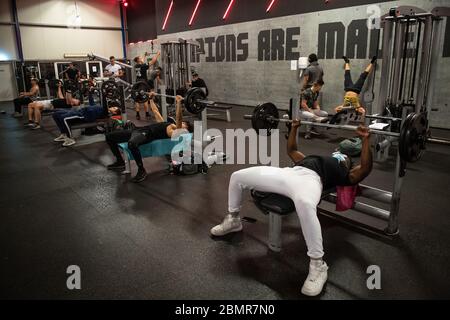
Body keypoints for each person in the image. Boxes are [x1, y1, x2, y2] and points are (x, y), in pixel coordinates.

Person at [210, 119, 373, 297]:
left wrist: (366, 141)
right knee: (237, 176)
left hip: (311, 181)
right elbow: (292, 150)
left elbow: (365, 168)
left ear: (348, 163)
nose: (340, 157)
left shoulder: (345, 174)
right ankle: (233, 219)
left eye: (345, 158)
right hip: (288, 173)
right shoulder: (310, 159)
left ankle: (318, 265)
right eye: (340, 154)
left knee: (305, 204)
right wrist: (294, 128)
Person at [105, 94, 193, 183]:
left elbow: (179, 119)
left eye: (184, 124)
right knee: (109, 137)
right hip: (138, 130)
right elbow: (155, 111)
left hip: (147, 134)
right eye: (183, 123)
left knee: (132, 144)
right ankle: (120, 161)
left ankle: (141, 170)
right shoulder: (168, 124)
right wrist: (150, 99)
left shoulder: (174, 132)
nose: (182, 123)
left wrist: (178, 103)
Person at [133, 51, 161, 120]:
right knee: (145, 98)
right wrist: (157, 54)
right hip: (143, 83)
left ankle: (137, 115)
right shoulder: (143, 66)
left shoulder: (136, 66)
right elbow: (153, 61)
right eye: (140, 58)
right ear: (138, 60)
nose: (142, 59)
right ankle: (147, 114)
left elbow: (142, 60)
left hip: (137, 82)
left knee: (137, 99)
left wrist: (144, 55)